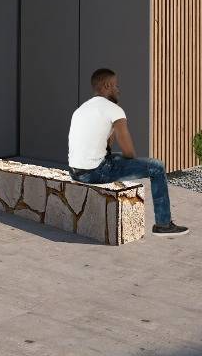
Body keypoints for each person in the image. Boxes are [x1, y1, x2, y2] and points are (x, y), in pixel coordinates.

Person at [67, 68, 188, 237]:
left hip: (75, 171)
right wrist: (130, 160)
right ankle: (163, 224)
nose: (118, 89)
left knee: (115, 157)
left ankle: (163, 224)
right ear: (107, 85)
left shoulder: (80, 109)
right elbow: (129, 152)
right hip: (95, 172)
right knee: (156, 167)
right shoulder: (114, 109)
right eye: (116, 85)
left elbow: (103, 145)